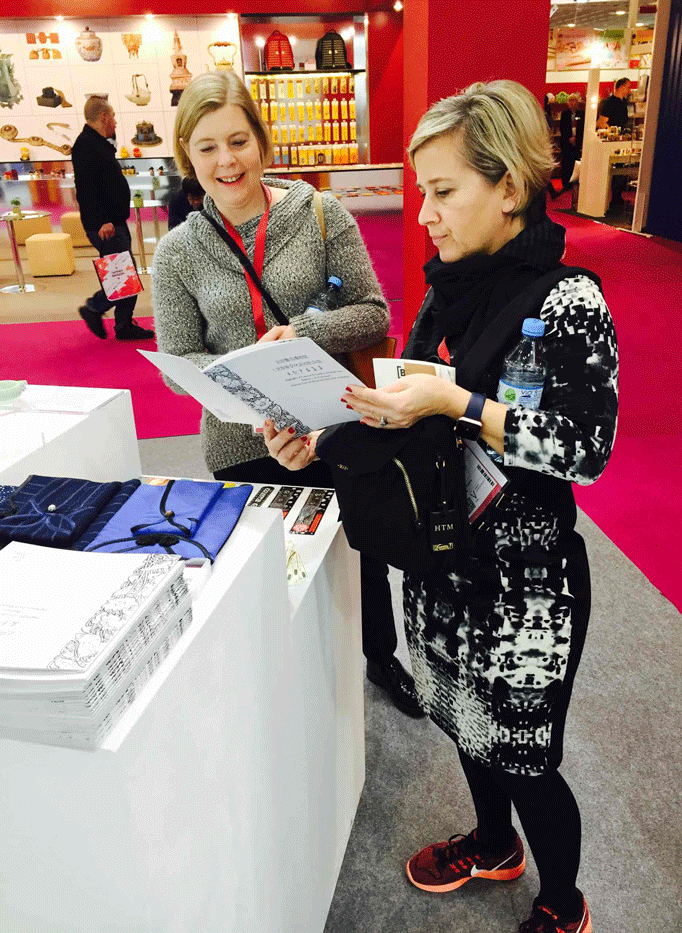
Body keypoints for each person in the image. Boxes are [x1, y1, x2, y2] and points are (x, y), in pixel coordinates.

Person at [263, 80, 618, 933]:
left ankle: (563, 901)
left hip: (525, 585)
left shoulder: (568, 301)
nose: (423, 214)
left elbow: (586, 449)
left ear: (509, 186)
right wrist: (322, 441)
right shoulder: (445, 292)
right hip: (438, 560)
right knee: (462, 720)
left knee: (525, 757)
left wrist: (458, 403)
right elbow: (405, 419)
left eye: (443, 191)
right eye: (421, 190)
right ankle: (494, 844)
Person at [152, 71, 422, 719]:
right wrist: (250, 385)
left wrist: (303, 332)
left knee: (362, 551)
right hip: (242, 440)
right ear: (188, 154)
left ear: (261, 141)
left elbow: (373, 313)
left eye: (238, 141)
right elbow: (177, 362)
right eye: (208, 147)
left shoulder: (319, 214)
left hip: (334, 421)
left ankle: (380, 655)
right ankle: (292, 684)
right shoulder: (178, 252)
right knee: (275, 567)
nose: (226, 161)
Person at [72, 97, 153, 341]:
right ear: (104, 117)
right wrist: (103, 221)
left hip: (114, 221)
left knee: (124, 274)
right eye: (113, 117)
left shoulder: (97, 143)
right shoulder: (87, 145)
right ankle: (95, 308)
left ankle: (123, 323)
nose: (115, 122)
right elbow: (87, 189)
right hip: (106, 225)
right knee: (124, 276)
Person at [597, 78, 632, 212]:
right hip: (612, 142)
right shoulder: (609, 103)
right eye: (628, 87)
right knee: (615, 170)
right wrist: (613, 132)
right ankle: (614, 198)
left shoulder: (623, 103)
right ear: (621, 87)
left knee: (621, 169)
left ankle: (617, 197)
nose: (629, 91)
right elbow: (601, 122)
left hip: (621, 140)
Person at [558, 93, 583, 193]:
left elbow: (582, 127)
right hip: (566, 142)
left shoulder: (581, 113)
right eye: (570, 100)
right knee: (566, 163)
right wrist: (569, 138)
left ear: (577, 102)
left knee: (576, 163)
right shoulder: (564, 114)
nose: (572, 103)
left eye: (574, 100)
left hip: (578, 142)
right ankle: (566, 184)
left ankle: (575, 183)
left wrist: (576, 138)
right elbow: (562, 128)